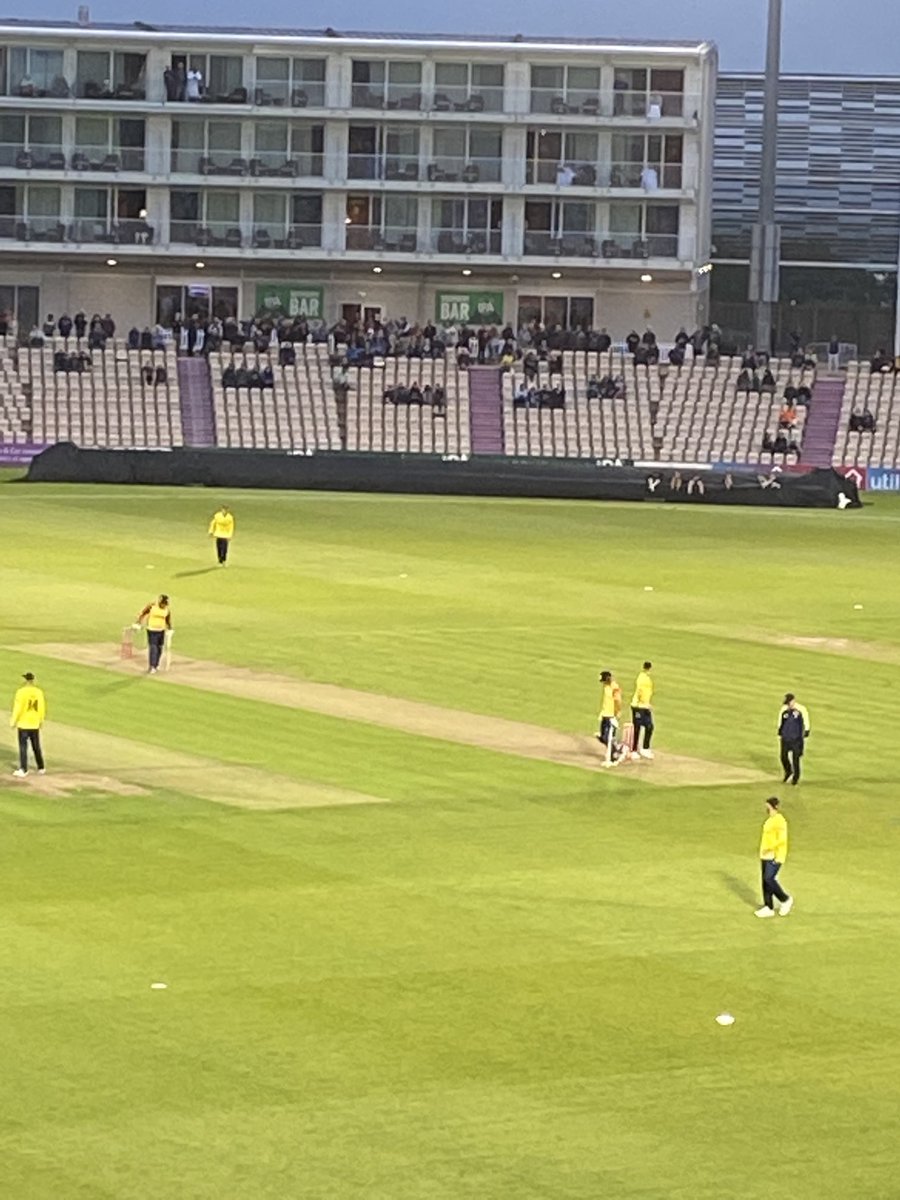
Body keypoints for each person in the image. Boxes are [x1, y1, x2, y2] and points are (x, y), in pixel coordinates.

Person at [755, 796, 793, 918]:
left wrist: (770, 849)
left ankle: (785, 899)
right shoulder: (770, 820)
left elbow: (781, 839)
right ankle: (768, 906)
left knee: (769, 878)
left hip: (775, 855)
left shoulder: (780, 821)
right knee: (765, 881)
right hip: (765, 854)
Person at [10, 671, 46, 777]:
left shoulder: (21, 692)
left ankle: (23, 769)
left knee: (23, 747)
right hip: (34, 723)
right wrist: (41, 720)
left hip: (24, 723)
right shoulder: (39, 692)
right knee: (36, 746)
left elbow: (18, 708)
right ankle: (41, 767)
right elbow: (41, 708)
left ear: (25, 680)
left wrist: (13, 721)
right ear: (33, 680)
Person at [777, 692, 810, 784]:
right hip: (786, 737)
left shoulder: (801, 709)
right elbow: (781, 721)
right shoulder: (784, 710)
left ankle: (796, 778)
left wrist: (806, 732)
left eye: (789, 702)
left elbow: (806, 721)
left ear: (793, 701)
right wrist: (780, 732)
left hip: (796, 738)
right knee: (783, 757)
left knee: (796, 758)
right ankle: (788, 771)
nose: (788, 705)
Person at [135, 594, 172, 674]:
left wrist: (169, 629)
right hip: (152, 630)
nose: (164, 605)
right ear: (160, 602)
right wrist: (138, 622)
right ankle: (152, 666)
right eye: (163, 603)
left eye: (166, 604)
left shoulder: (166, 610)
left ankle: (156, 664)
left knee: (159, 648)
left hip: (161, 630)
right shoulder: (152, 606)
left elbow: (168, 620)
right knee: (153, 647)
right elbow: (143, 613)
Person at [596, 670, 623, 767]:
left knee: (608, 737)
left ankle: (613, 757)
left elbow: (618, 700)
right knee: (603, 737)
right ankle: (616, 749)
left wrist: (618, 712)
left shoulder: (614, 687)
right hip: (605, 715)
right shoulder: (606, 686)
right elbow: (606, 702)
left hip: (611, 716)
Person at [630, 661, 654, 759]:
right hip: (637, 706)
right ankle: (634, 750)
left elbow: (648, 693)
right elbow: (640, 691)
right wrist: (643, 703)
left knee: (649, 726)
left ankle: (645, 748)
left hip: (645, 706)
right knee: (637, 728)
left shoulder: (648, 679)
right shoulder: (641, 678)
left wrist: (647, 703)